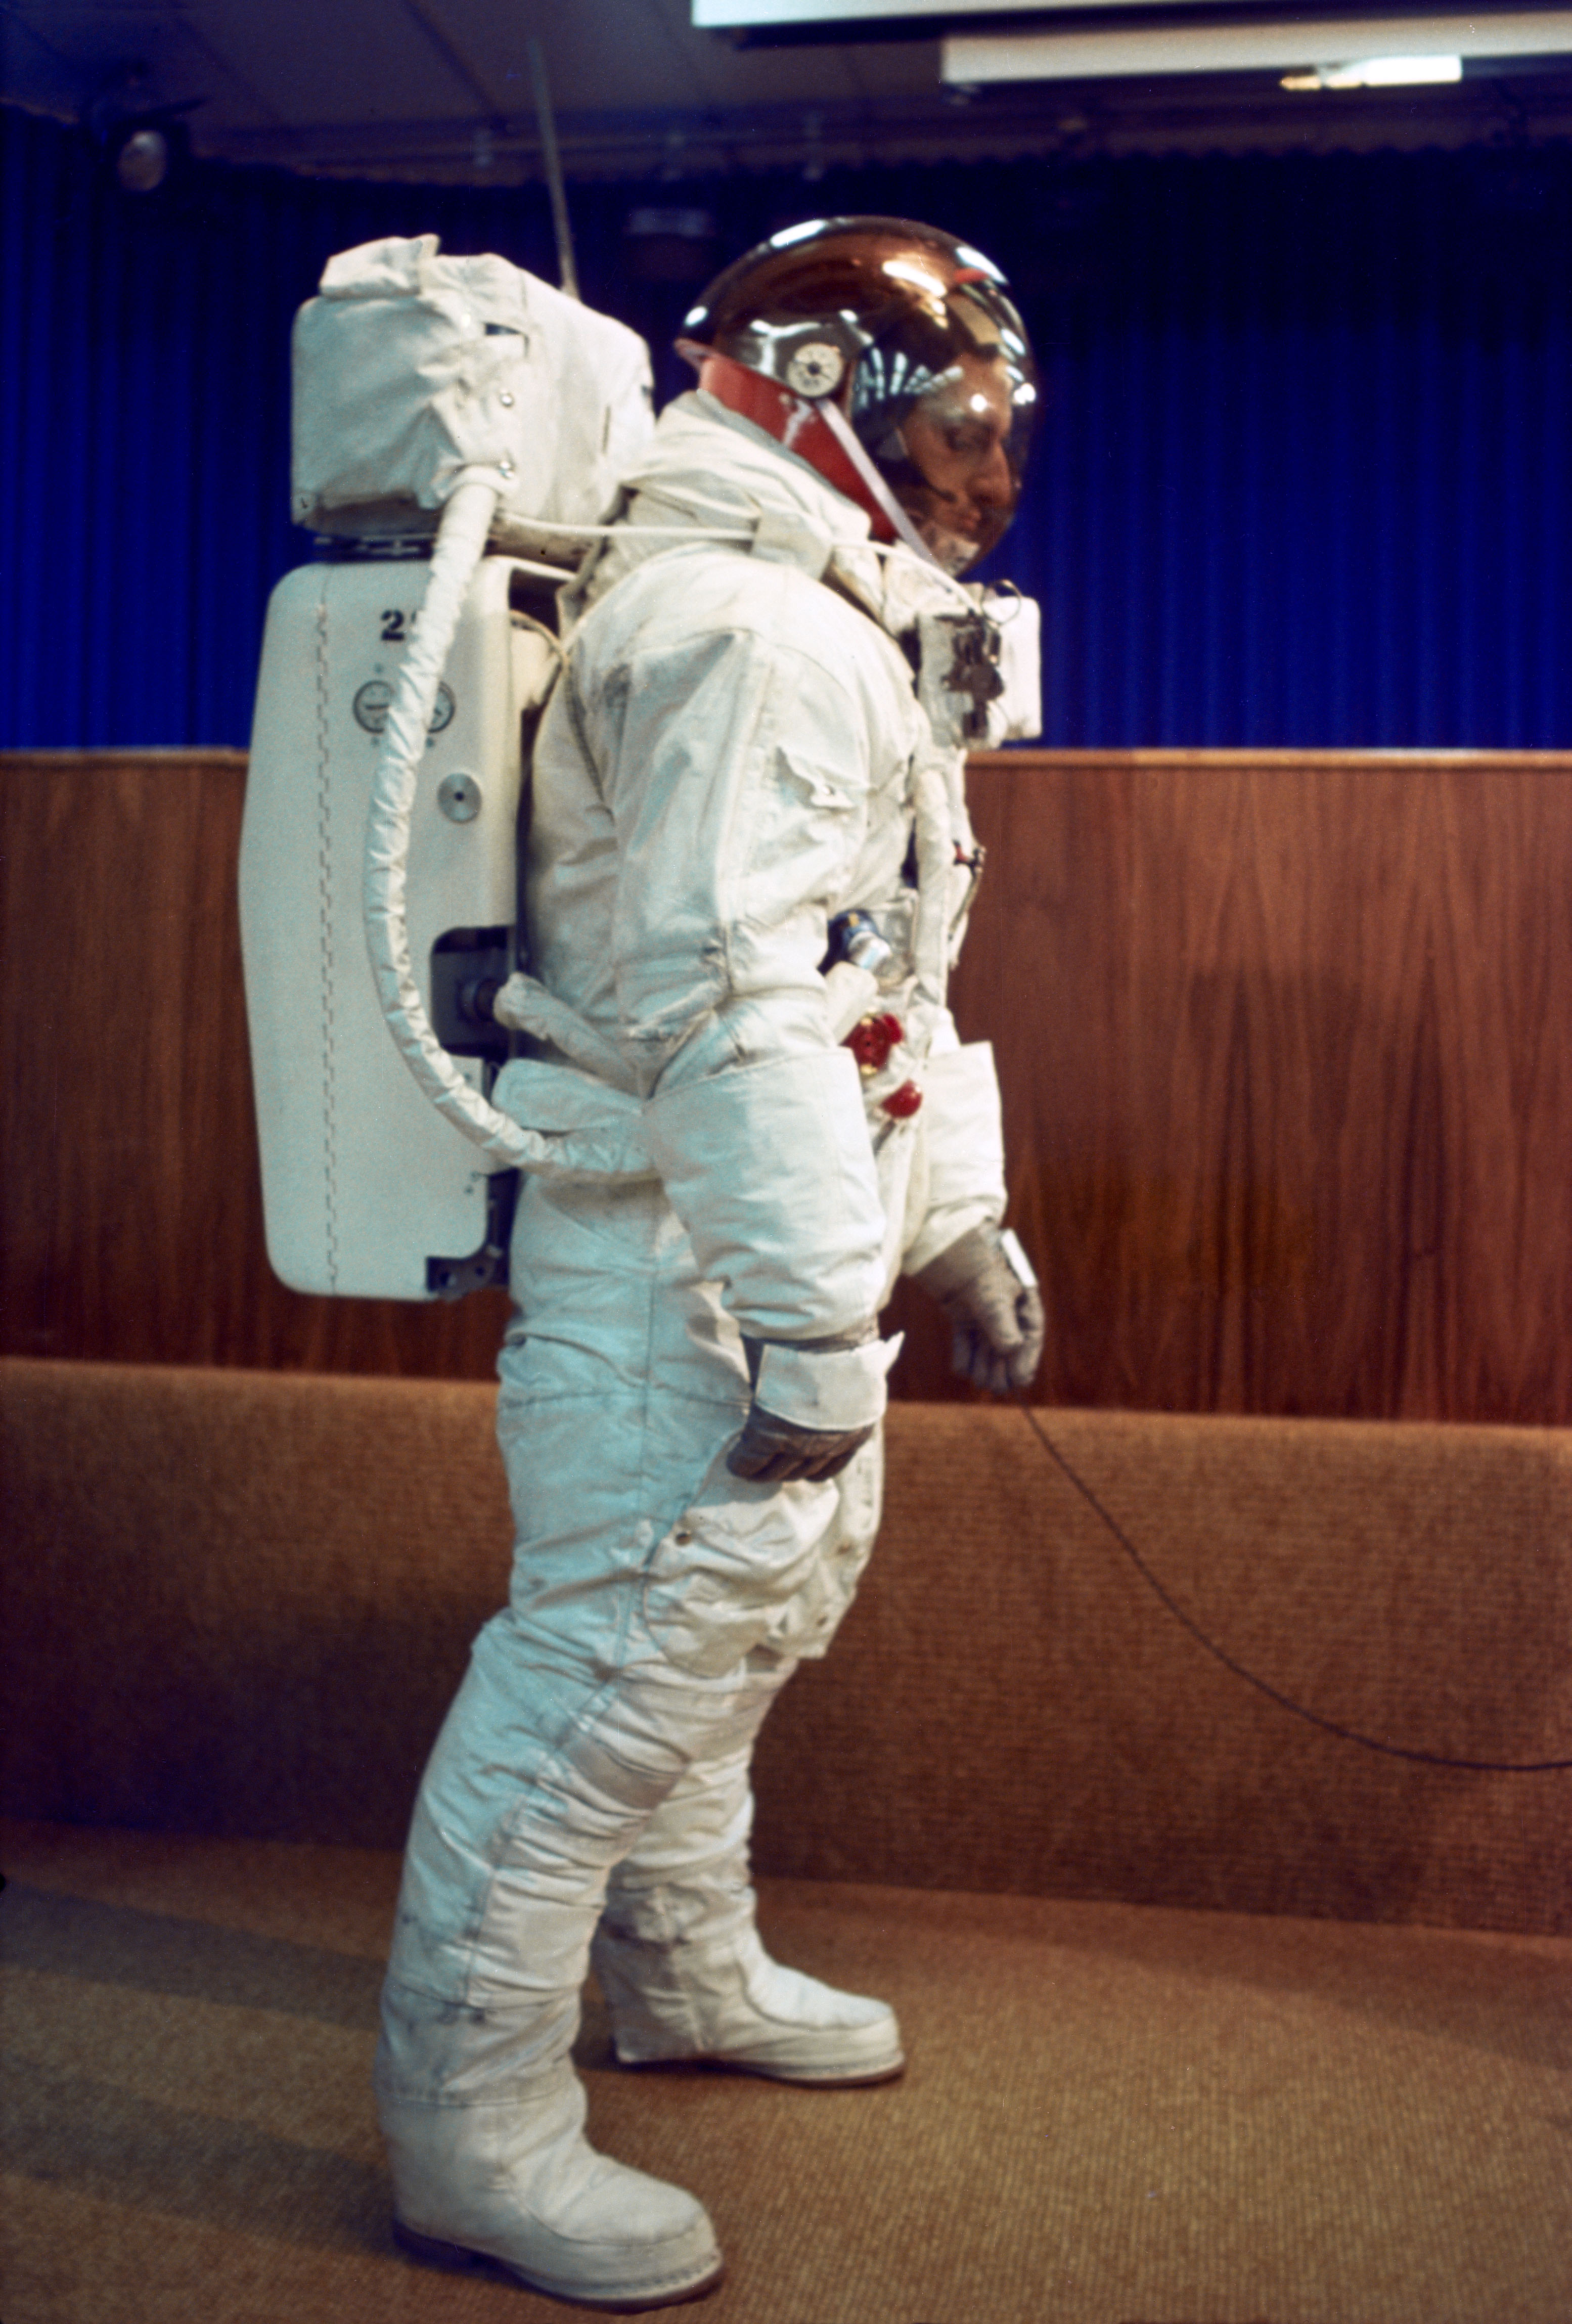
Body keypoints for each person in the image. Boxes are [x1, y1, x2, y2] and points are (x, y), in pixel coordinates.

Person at [374, 215, 1046, 2311]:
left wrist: (948, 1225)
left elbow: (873, 993)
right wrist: (815, 1323)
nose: (982, 467)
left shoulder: (811, 615)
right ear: (819, 395)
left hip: (745, 1252)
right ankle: (469, 2131)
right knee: (599, 1687)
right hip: (672, 1266)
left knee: (729, 1645)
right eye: (955, 419)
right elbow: (739, 1010)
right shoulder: (756, 635)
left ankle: (680, 1974)